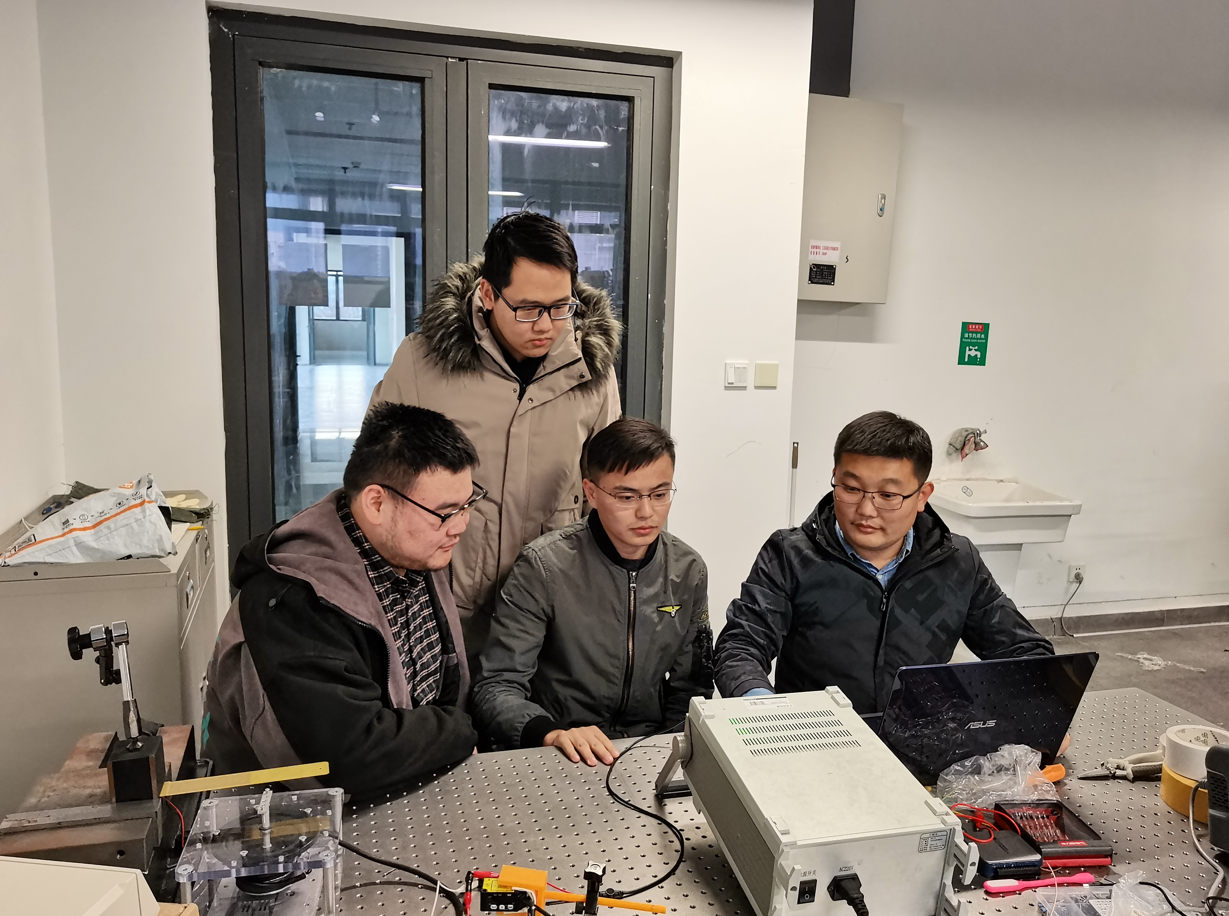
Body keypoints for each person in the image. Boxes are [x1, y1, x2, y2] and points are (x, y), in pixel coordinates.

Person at [369, 211, 622, 669]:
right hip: (438, 611)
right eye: (528, 309)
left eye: (560, 307)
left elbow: (604, 492)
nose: (546, 325)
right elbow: (376, 479)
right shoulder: (423, 362)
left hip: (549, 617)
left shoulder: (592, 373)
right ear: (487, 293)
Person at [203, 403, 484, 799]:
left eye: (468, 505)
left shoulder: (417, 552)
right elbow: (351, 757)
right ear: (376, 503)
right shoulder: (294, 603)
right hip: (285, 814)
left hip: (408, 784)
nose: (460, 526)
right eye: (446, 512)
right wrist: (459, 730)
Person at [715, 410, 1054, 715]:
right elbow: (741, 646)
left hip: (919, 739)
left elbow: (1024, 651)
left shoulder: (957, 562)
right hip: (816, 738)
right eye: (851, 488)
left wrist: (1034, 709)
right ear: (835, 477)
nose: (866, 510)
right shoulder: (791, 555)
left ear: (922, 496)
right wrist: (762, 707)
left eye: (888, 495)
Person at [472, 418, 713, 766]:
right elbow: (496, 686)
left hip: (646, 748)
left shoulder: (688, 570)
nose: (646, 512)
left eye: (660, 494)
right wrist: (550, 733)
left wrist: (670, 753)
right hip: (561, 747)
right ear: (591, 492)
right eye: (626, 497)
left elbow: (692, 687)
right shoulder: (544, 567)